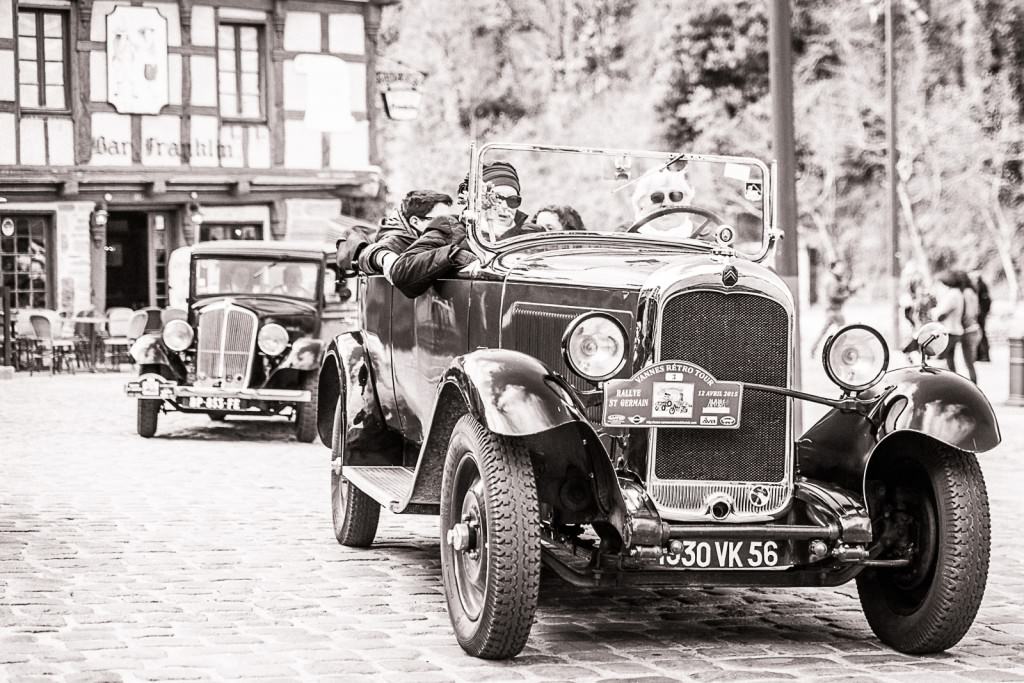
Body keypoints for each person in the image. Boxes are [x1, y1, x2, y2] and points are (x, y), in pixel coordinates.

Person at [336, 190, 453, 283]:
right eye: (441, 220)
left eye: (452, 219)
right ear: (415, 222)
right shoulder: (395, 244)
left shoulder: (420, 238)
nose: (450, 225)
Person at [809, 260, 859, 359]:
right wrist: (847, 295)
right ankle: (837, 352)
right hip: (834, 311)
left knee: (826, 332)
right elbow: (834, 295)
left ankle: (814, 349)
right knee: (843, 332)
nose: (842, 270)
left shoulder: (835, 279)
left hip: (832, 310)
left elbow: (841, 290)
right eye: (839, 268)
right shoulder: (832, 280)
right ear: (833, 268)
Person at [630, 169, 697, 237]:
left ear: (688, 201)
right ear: (641, 202)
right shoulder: (622, 237)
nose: (667, 203)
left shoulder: (707, 239)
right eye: (657, 197)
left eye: (675, 196)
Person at [933, 270, 965, 373]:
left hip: (949, 331)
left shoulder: (952, 295)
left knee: (938, 360)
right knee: (950, 361)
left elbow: (941, 314)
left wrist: (933, 312)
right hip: (955, 330)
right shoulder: (958, 293)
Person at [957, 271, 982, 383]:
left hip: (968, 330)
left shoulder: (966, 293)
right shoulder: (973, 291)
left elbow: (969, 313)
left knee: (968, 363)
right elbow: (977, 311)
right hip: (975, 328)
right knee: (970, 363)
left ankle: (974, 388)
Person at [973, 270, 992, 362]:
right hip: (981, 314)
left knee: (981, 334)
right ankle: (981, 354)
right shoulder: (981, 286)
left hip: (980, 314)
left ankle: (984, 355)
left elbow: (986, 302)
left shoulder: (981, 286)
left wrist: (982, 313)